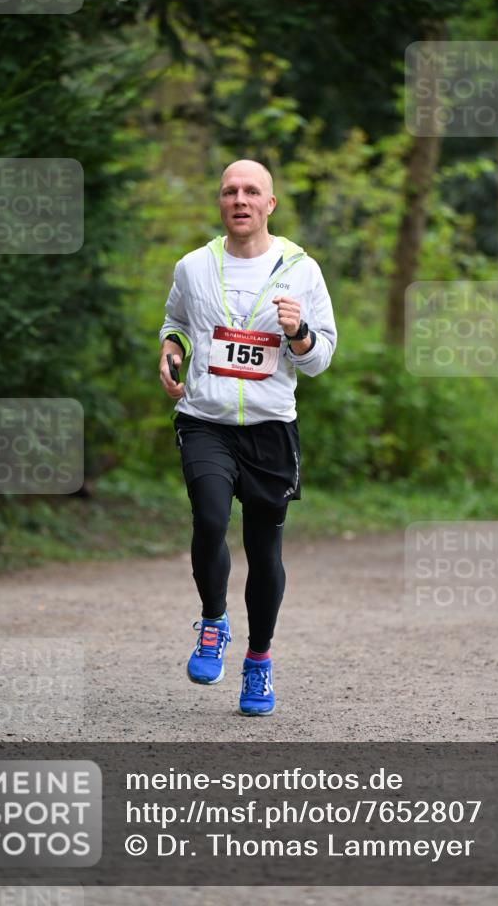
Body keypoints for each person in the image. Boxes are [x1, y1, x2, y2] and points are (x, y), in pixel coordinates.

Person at [159, 159, 337, 715]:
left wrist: (299, 332)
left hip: (270, 428)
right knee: (210, 518)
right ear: (221, 203)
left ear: (269, 204)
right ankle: (213, 621)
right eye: (230, 191)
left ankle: (258, 662)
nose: (240, 199)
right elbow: (175, 324)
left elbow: (321, 359)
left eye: (251, 191)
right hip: (205, 419)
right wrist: (171, 353)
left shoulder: (301, 271)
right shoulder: (193, 267)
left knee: (265, 553)